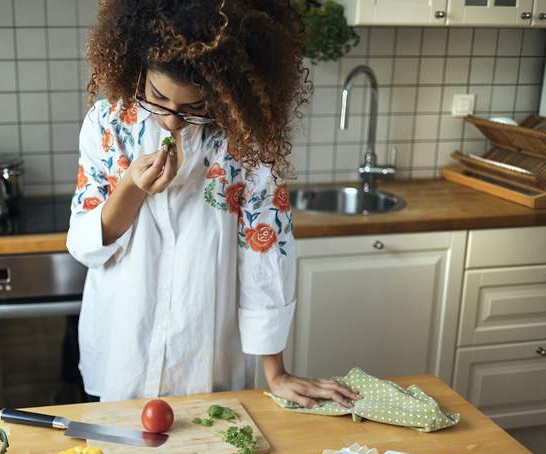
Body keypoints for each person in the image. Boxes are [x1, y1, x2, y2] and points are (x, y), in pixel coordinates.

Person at [66, 0, 360, 408]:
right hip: (123, 350)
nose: (172, 120)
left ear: (224, 92)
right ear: (137, 69)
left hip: (208, 355)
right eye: (158, 97)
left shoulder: (246, 145)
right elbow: (86, 245)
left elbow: (264, 253)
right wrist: (132, 186)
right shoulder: (107, 125)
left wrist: (276, 373)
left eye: (193, 108)